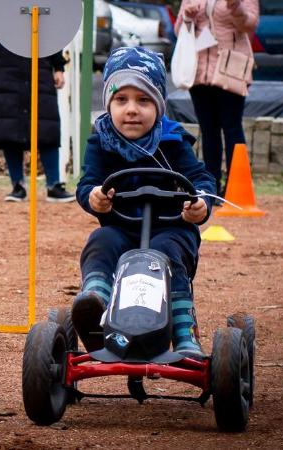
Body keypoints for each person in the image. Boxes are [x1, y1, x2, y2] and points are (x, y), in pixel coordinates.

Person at [72, 47, 216, 358]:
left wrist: (200, 204)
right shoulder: (100, 143)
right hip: (122, 231)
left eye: (144, 100)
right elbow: (86, 185)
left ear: (160, 106)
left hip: (172, 231)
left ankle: (182, 332)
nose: (132, 110)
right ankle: (95, 303)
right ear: (109, 104)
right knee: (101, 238)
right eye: (121, 100)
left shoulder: (174, 143)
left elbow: (202, 179)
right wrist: (95, 198)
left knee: (166, 252)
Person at [0, 0, 75, 203]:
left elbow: (51, 33)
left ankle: (54, 185)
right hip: (3, 69)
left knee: (47, 125)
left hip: (39, 67)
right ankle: (17, 185)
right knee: (9, 128)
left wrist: (58, 67)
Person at [176, 0, 259, 198]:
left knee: (232, 127)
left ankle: (235, 188)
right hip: (199, 70)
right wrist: (187, 16)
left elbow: (249, 25)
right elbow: (179, 30)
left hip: (231, 67)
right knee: (208, 129)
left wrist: (235, 7)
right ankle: (211, 187)